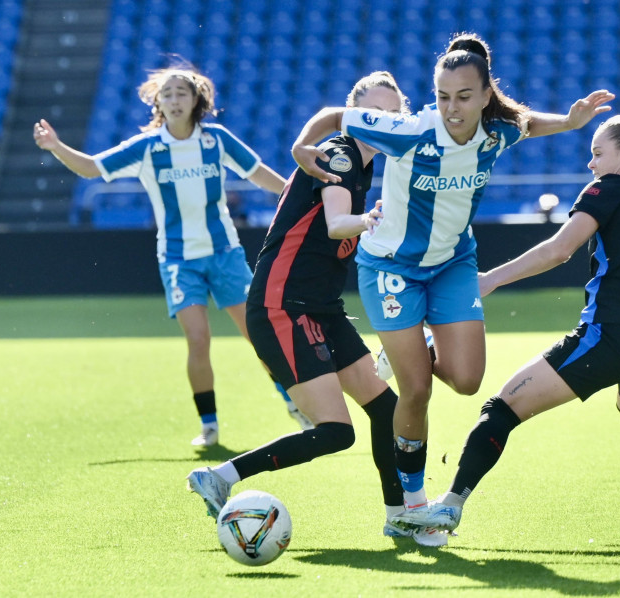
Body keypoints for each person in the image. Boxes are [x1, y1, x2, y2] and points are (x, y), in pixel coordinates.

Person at [291, 32, 615, 515]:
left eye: (465, 96)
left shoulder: (497, 131)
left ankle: (413, 349)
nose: (452, 108)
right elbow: (335, 116)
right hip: (390, 267)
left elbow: (527, 123)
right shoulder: (409, 128)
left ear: (486, 95)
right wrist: (302, 146)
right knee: (416, 389)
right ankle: (412, 502)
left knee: (466, 381)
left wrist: (570, 122)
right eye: (443, 96)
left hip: (454, 264)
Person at [390, 94, 620, 539]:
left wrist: (492, 279)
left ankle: (449, 506)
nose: (591, 164)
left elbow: (560, 250)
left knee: (499, 409)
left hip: (613, 335)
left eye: (597, 153)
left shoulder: (606, 189)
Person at [185, 72, 444, 546]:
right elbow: (335, 224)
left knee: (386, 409)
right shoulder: (343, 154)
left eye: (393, 114)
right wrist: (370, 221)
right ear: (355, 113)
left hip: (319, 307)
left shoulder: (362, 166)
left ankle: (399, 516)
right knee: (335, 431)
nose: (384, 120)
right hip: (283, 305)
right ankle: (221, 476)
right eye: (376, 111)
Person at [33, 62, 313, 447]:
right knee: (198, 339)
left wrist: (296, 200)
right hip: (179, 260)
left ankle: (296, 406)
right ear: (157, 103)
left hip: (225, 253)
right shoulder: (147, 148)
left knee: (260, 337)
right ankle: (209, 426)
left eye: (181, 92)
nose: (174, 99)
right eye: (167, 94)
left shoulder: (216, 140)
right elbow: (93, 169)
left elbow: (257, 172)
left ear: (196, 98)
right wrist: (56, 146)